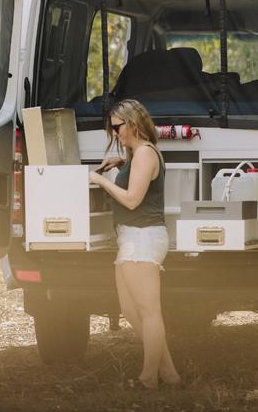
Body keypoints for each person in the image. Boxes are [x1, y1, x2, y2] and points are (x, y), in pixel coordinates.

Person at [89, 99, 181, 389]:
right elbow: (136, 176)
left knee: (149, 311)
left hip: (143, 237)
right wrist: (121, 164)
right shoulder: (137, 155)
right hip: (133, 237)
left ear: (132, 123)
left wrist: (100, 180)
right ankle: (169, 373)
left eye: (117, 127)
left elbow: (131, 200)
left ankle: (148, 378)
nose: (115, 133)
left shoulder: (145, 154)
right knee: (130, 310)